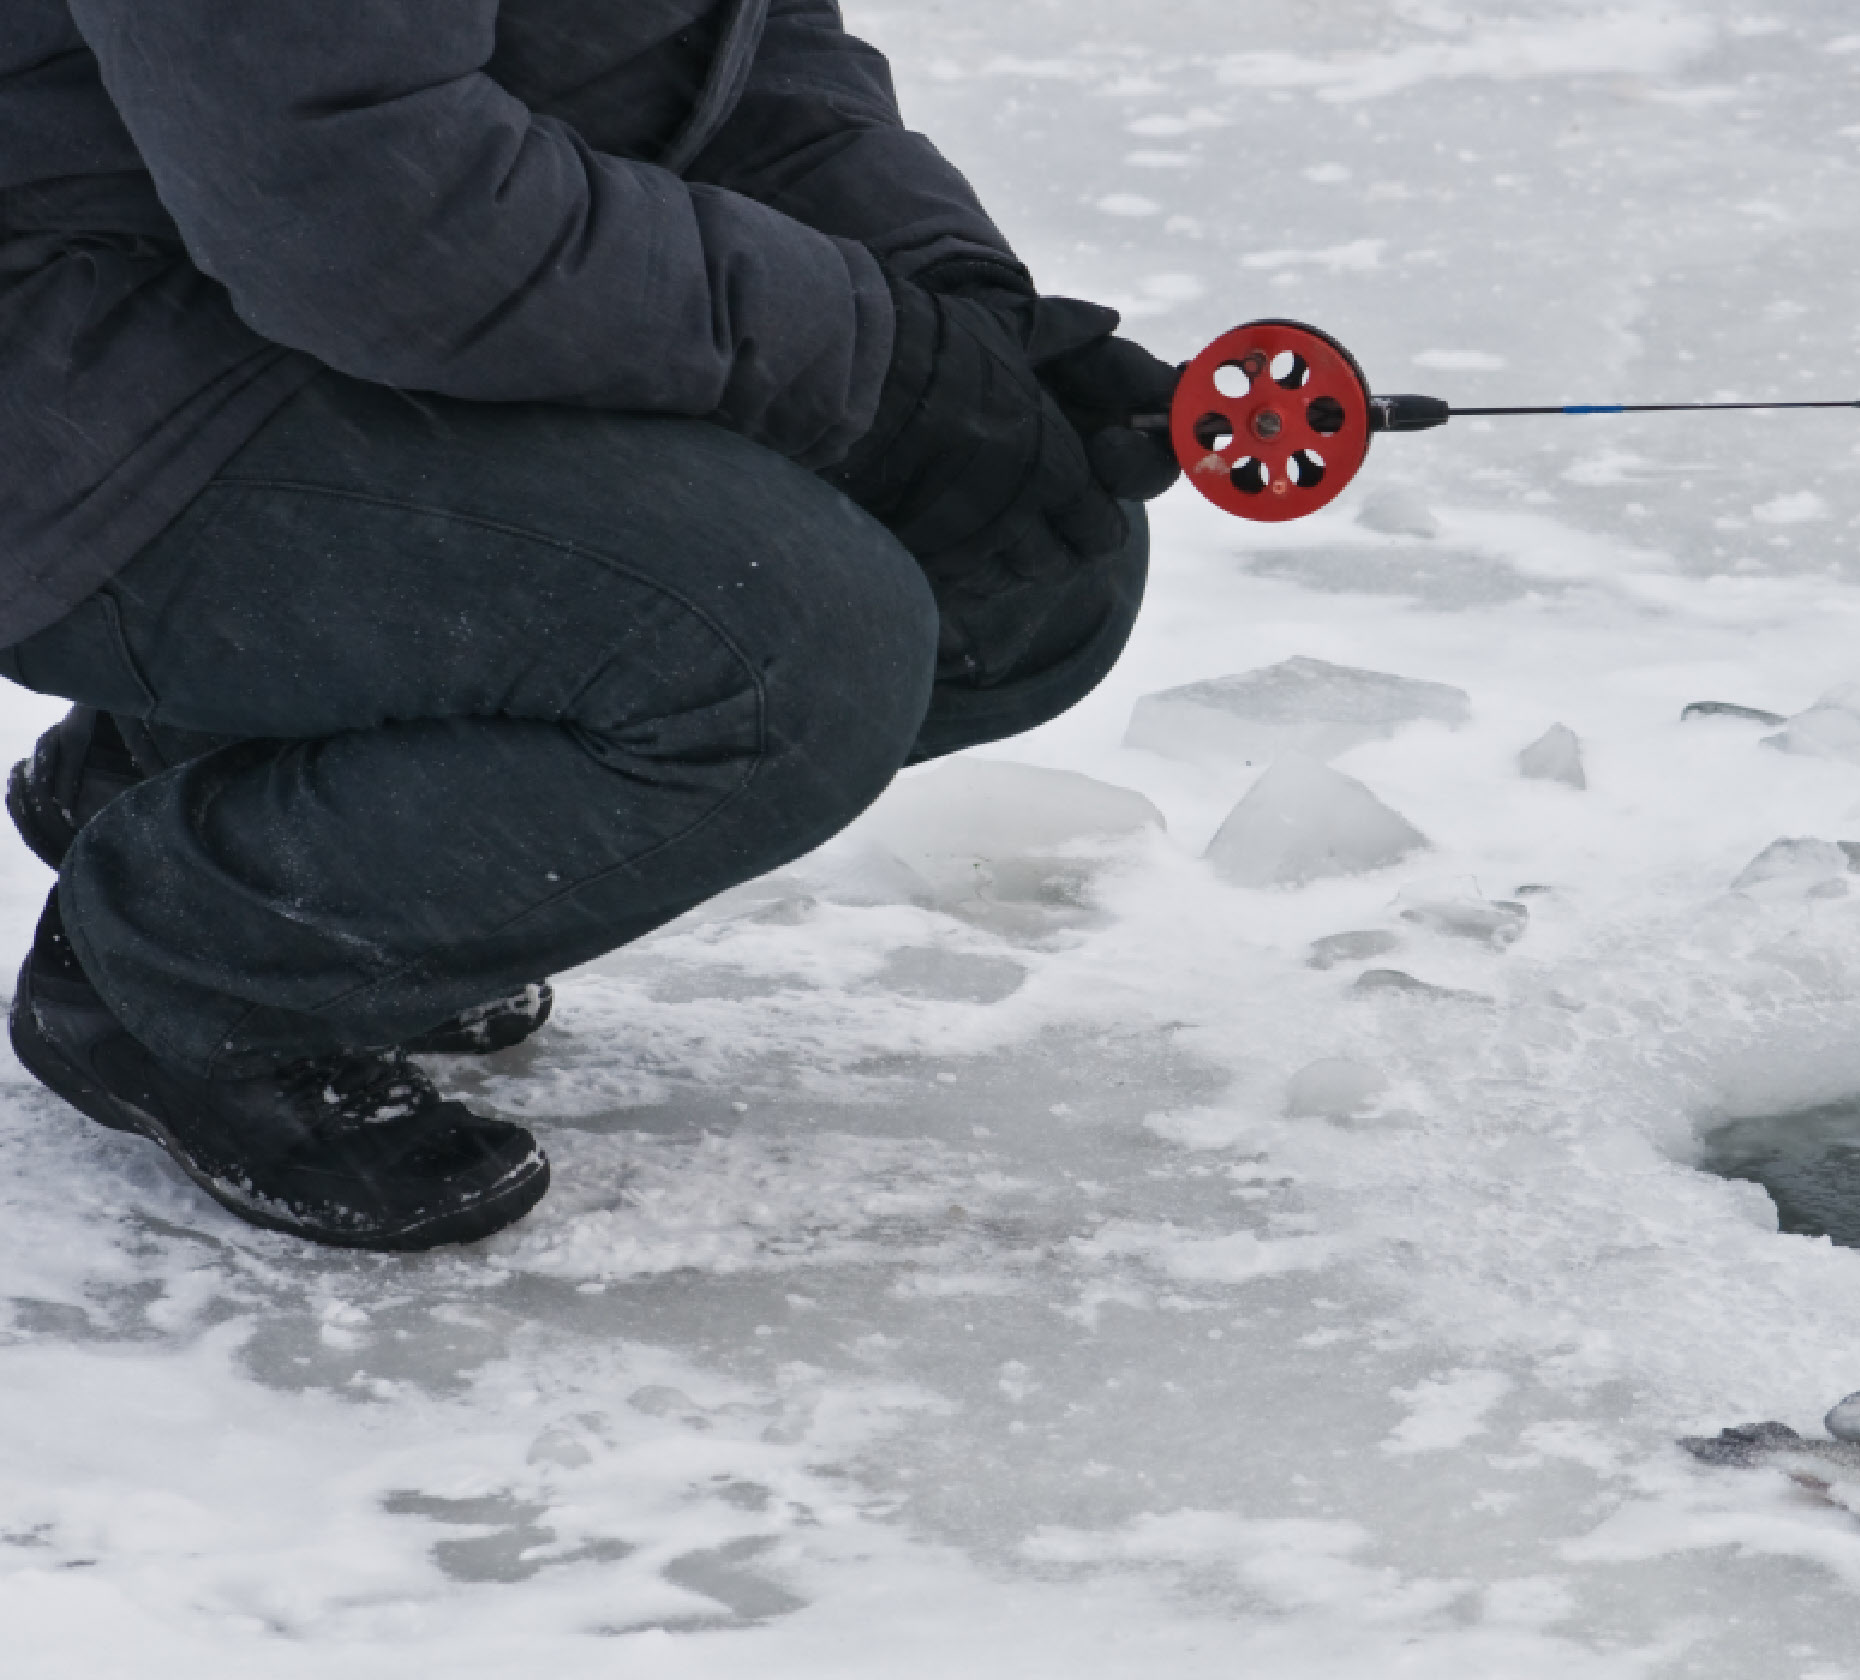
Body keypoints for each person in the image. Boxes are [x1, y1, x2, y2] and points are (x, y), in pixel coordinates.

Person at [0, 0, 1180, 1250]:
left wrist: (955, 302)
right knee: (782, 649)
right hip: (71, 363)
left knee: (1022, 565)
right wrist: (876, 360)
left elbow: (732, 48)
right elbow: (361, 215)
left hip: (309, 295)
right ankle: (184, 973)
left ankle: (192, 760)